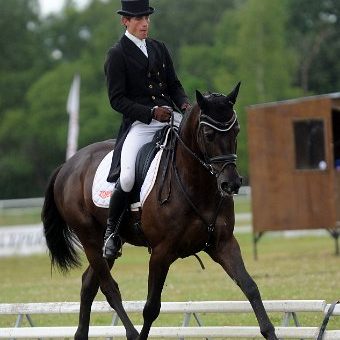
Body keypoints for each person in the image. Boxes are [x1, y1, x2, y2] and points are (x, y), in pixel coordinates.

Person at [103, 0, 191, 259]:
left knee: (200, 144)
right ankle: (112, 233)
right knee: (128, 177)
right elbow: (117, 100)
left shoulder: (159, 48)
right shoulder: (117, 54)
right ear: (125, 21)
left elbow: (174, 84)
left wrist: (184, 105)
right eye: (139, 19)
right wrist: (150, 112)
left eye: (147, 18)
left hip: (170, 118)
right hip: (140, 124)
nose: (145, 23)